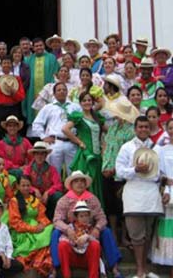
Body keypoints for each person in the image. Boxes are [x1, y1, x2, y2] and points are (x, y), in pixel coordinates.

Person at [116, 115, 169, 278]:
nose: (143, 129)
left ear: (149, 128)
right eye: (140, 127)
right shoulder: (126, 147)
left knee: (147, 233)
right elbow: (119, 171)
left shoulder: (157, 148)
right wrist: (135, 170)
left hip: (151, 193)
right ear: (135, 128)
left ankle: (145, 269)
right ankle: (139, 270)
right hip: (133, 192)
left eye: (146, 127)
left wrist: (166, 190)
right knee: (136, 235)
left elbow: (163, 174)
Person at [52, 171, 122, 278]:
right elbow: (57, 220)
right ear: (71, 184)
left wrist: (97, 228)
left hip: (90, 230)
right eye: (76, 181)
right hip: (70, 231)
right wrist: (67, 229)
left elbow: (102, 217)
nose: (79, 184)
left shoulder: (92, 199)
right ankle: (55, 268)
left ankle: (114, 267)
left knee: (106, 231)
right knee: (55, 232)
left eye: (82, 181)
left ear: (85, 184)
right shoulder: (64, 200)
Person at [101, 98, 137, 243]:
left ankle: (124, 236)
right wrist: (105, 166)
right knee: (110, 204)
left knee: (122, 203)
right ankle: (115, 233)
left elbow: (128, 156)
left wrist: (115, 169)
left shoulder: (130, 131)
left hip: (120, 173)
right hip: (107, 170)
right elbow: (107, 148)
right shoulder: (113, 127)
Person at [62, 92, 106, 205]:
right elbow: (65, 129)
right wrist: (79, 142)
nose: (87, 102)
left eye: (89, 100)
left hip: (97, 154)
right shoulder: (79, 117)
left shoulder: (97, 117)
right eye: (84, 100)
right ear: (80, 103)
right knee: (85, 181)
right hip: (85, 154)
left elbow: (108, 131)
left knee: (96, 181)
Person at [32, 82, 81, 175]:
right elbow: (37, 124)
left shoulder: (75, 107)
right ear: (54, 94)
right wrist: (43, 137)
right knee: (54, 173)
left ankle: (72, 189)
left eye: (64, 90)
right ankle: (56, 189)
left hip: (71, 143)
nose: (62, 92)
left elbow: (82, 123)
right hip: (55, 143)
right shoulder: (48, 107)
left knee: (74, 172)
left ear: (67, 92)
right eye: (59, 90)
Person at [8, 175, 53, 276]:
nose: (26, 188)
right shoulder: (14, 201)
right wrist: (33, 229)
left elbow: (42, 215)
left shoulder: (35, 200)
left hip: (36, 227)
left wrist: (42, 224)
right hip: (22, 231)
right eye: (23, 185)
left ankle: (42, 263)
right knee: (42, 238)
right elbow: (15, 223)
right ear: (18, 186)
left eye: (28, 185)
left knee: (50, 228)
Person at [151, 118, 173, 275]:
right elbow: (156, 173)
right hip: (167, 191)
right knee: (167, 224)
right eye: (171, 128)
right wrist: (165, 184)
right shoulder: (160, 150)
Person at [58, 201, 102, 278]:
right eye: (81, 216)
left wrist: (87, 237)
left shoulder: (92, 228)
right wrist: (74, 241)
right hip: (73, 257)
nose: (84, 218)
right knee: (62, 245)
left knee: (95, 245)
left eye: (86, 216)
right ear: (77, 217)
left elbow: (97, 242)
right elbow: (62, 239)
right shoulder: (70, 228)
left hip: (86, 259)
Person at [23, 37, 59, 126]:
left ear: (44, 46)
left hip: (47, 91)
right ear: (33, 48)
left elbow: (54, 74)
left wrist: (50, 90)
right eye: (36, 46)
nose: (39, 47)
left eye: (41, 45)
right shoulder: (29, 59)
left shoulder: (51, 58)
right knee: (34, 114)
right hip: (32, 92)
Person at [23, 141, 63, 219]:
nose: (40, 156)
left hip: (47, 197)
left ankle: (51, 217)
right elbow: (23, 183)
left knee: (58, 195)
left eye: (42, 154)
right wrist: (34, 190)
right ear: (34, 155)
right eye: (37, 154)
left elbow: (58, 185)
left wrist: (48, 192)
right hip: (33, 195)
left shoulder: (52, 169)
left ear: (45, 156)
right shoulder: (28, 169)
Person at [0, 55, 25, 137]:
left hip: (14, 107)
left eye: (8, 63)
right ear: (1, 65)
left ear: (11, 65)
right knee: (0, 131)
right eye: (4, 63)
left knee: (15, 130)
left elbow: (21, 97)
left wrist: (13, 92)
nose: (6, 65)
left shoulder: (17, 78)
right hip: (0, 108)